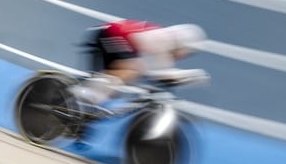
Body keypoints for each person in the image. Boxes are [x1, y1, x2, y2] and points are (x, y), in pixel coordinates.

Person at [74, 19, 208, 106]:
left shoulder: (165, 44)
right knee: (131, 69)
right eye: (187, 52)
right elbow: (162, 72)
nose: (184, 56)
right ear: (182, 45)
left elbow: (159, 73)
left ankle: (84, 104)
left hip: (113, 35)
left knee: (115, 86)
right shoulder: (164, 40)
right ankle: (87, 92)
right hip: (111, 33)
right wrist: (190, 75)